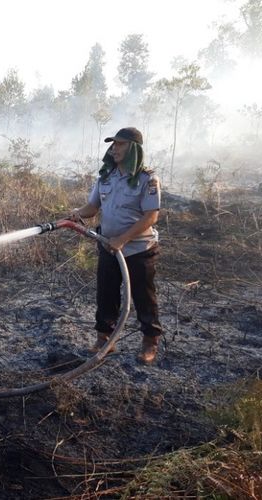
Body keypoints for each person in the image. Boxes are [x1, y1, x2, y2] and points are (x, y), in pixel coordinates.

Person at [68, 127, 163, 364]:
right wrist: (77, 214)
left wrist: (123, 239)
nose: (114, 149)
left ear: (133, 149)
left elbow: (151, 216)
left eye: (120, 144)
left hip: (139, 249)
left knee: (144, 297)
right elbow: (92, 207)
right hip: (108, 247)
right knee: (106, 294)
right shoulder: (105, 178)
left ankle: (150, 343)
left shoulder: (147, 179)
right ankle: (104, 340)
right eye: (113, 145)